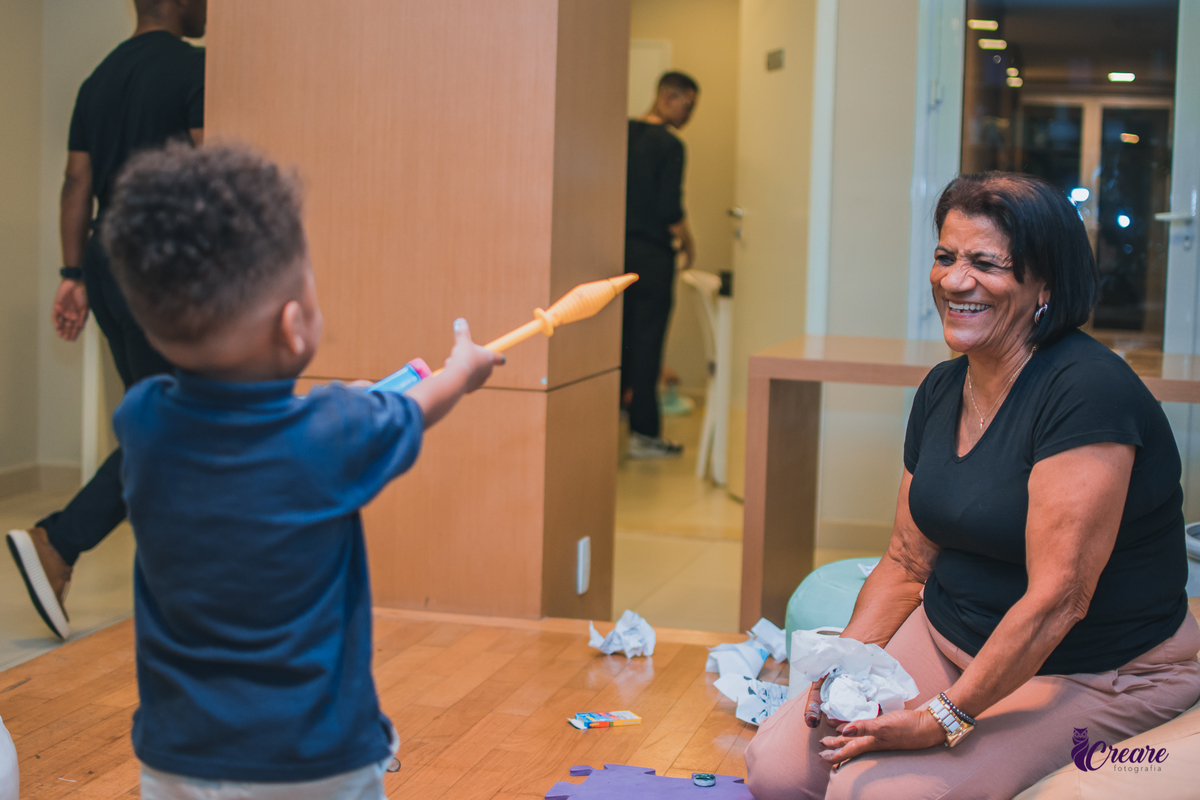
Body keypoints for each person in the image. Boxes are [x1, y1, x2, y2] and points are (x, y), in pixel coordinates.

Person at [745, 172, 1200, 800]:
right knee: (777, 770)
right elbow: (907, 560)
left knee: (881, 793)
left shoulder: (1089, 391)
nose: (955, 281)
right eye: (945, 257)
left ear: (1045, 284)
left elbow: (1059, 599)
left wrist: (945, 717)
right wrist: (841, 666)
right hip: (951, 634)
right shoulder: (941, 388)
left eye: (986, 264)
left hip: (1095, 667)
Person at [101, 142, 501, 798]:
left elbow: (265, 428)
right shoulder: (338, 431)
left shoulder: (143, 421)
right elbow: (425, 400)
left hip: (177, 756)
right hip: (315, 762)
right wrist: (464, 368)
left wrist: (351, 407)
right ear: (294, 326)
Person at [6, 0, 207, 641]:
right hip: (159, 266)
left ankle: (172, 584)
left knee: (164, 421)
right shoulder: (193, 70)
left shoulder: (99, 77)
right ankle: (58, 541)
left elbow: (76, 182)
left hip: (105, 260)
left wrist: (72, 275)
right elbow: (206, 178)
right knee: (174, 425)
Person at [621, 71, 698, 459]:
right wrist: (688, 243)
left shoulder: (623, 134)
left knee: (618, 342)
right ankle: (644, 435)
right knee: (647, 345)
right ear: (671, 98)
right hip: (652, 258)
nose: (690, 114)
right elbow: (670, 209)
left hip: (614, 255)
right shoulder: (670, 144)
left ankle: (611, 423)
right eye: (689, 105)